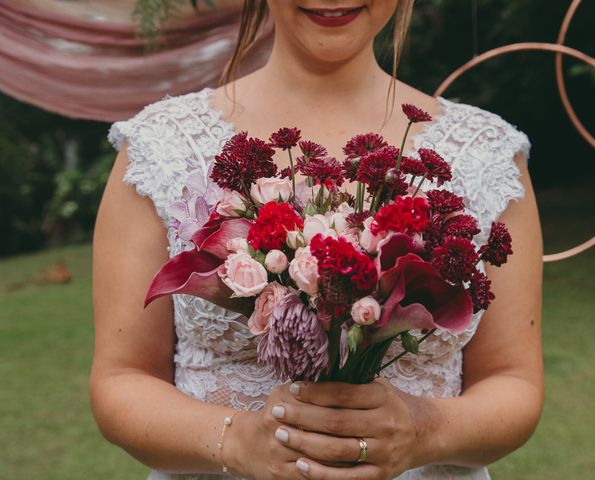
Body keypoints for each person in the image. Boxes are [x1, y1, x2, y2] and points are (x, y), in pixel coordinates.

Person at [90, 1, 544, 479]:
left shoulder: (485, 154)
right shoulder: (162, 145)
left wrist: (424, 431)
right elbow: (121, 379)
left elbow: (512, 382)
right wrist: (235, 440)